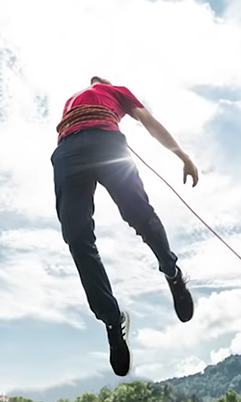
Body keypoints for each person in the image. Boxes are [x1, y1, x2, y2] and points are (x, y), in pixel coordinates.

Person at [51, 76, 199, 378]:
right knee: (76, 237)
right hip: (68, 150)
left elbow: (148, 121)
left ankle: (172, 272)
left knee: (139, 214)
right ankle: (111, 319)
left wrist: (182, 155)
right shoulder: (72, 100)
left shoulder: (116, 91)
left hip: (106, 142)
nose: (93, 80)